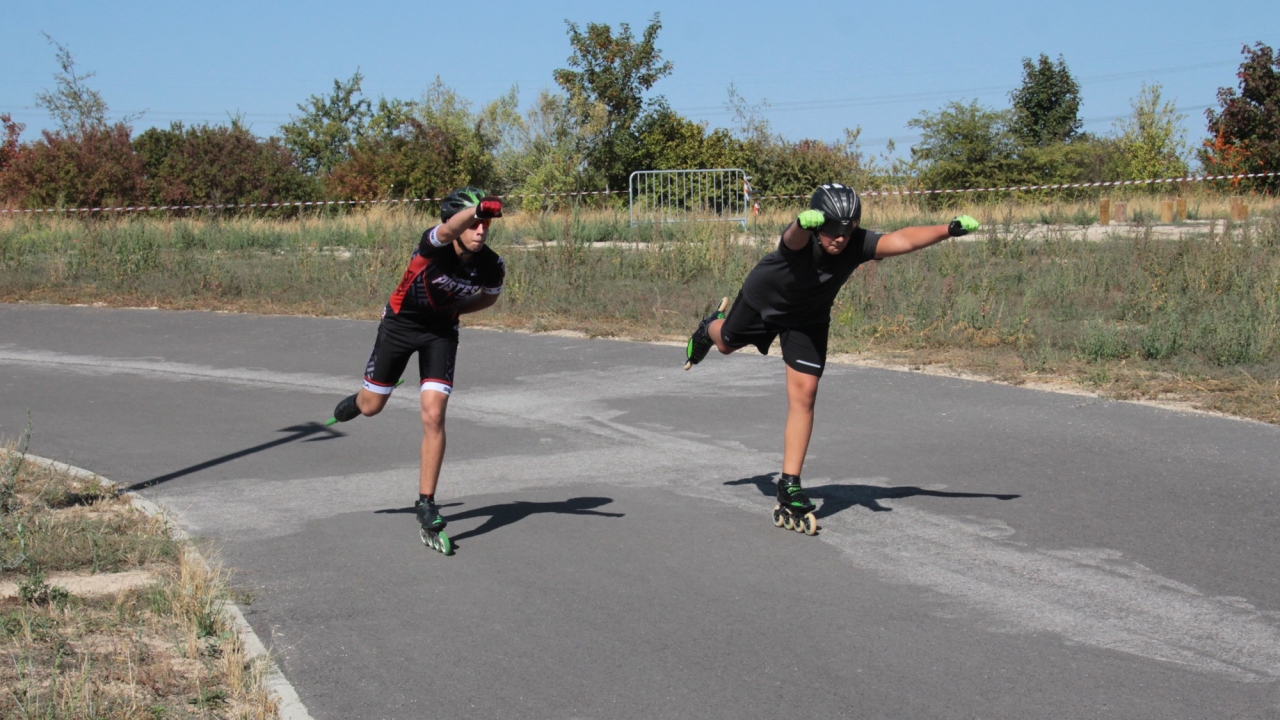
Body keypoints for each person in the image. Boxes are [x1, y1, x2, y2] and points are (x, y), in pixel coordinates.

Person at [683, 183, 979, 534]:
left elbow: (902, 239)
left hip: (808, 318)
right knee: (727, 343)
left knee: (805, 394)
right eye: (832, 228)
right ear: (817, 223)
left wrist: (948, 229)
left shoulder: (855, 243)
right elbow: (790, 239)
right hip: (764, 302)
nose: (840, 237)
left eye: (848, 228)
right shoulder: (802, 238)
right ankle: (708, 328)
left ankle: (789, 482)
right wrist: (800, 224)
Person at [328, 187, 506, 553]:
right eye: (474, 224)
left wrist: (456, 312)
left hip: (440, 333)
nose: (480, 231)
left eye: (485, 224)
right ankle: (358, 402)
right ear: (456, 223)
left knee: (434, 415)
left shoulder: (492, 263)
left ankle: (426, 502)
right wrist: (473, 210)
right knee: (373, 407)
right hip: (399, 326)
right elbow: (447, 230)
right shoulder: (433, 245)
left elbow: (489, 297)